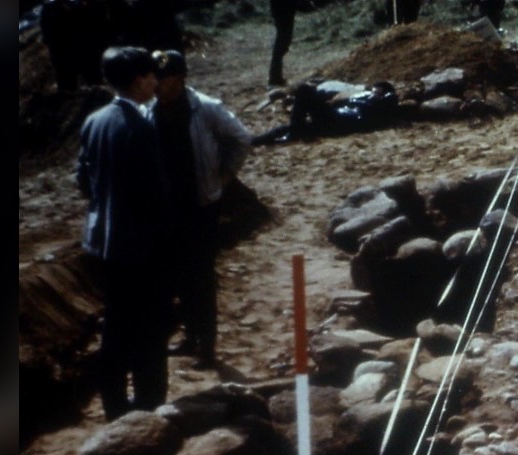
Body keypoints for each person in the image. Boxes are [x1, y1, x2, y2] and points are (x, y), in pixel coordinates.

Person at [76, 45, 173, 420]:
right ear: (137, 80)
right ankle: (148, 408)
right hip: (141, 246)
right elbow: (156, 193)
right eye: (151, 76)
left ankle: (115, 407)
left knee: (115, 329)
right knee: (150, 329)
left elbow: (83, 179)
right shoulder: (141, 127)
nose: (155, 82)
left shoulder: (95, 120)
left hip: (102, 242)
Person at [148, 49, 252, 369]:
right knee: (177, 276)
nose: (157, 85)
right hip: (166, 207)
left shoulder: (205, 108)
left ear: (179, 79)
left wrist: (223, 177)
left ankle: (206, 346)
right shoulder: (148, 111)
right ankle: (189, 337)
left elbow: (241, 138)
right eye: (154, 79)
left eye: (163, 79)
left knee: (201, 277)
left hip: (201, 205)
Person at [251, 79, 401, 145]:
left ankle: (293, 132)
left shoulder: (381, 104)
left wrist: (381, 94)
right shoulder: (364, 98)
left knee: (304, 90)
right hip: (334, 119)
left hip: (341, 122)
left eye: (378, 90)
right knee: (292, 128)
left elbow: (392, 100)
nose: (373, 91)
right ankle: (254, 141)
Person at [269, 0, 296, 86]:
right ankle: (275, 77)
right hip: (283, 11)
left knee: (283, 43)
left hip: (282, 10)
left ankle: (276, 76)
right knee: (282, 43)